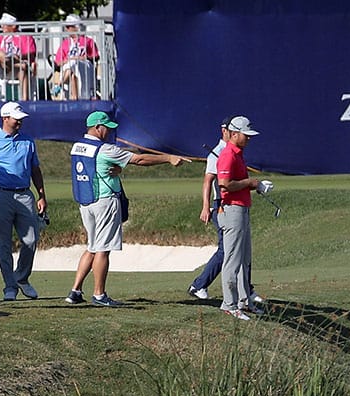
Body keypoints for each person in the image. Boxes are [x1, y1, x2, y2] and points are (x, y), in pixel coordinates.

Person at [66, 110, 186, 307]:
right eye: (106, 128)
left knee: (92, 246)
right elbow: (139, 160)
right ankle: (99, 295)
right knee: (103, 250)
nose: (108, 132)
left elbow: (95, 168)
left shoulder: (77, 146)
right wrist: (168, 158)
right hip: (104, 200)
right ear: (98, 127)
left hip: (86, 202)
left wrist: (118, 168)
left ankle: (75, 291)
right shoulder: (105, 149)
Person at [188, 116, 264, 304]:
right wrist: (206, 206)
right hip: (222, 206)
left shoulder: (236, 152)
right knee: (227, 252)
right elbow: (212, 182)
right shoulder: (222, 153)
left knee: (237, 252)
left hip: (234, 206)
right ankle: (201, 286)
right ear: (230, 132)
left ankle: (245, 292)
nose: (248, 138)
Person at [0, 101, 47, 301]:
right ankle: (10, 286)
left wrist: (42, 195)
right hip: (0, 195)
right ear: (5, 118)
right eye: (16, 119)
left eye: (21, 119)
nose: (19, 123)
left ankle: (22, 278)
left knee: (31, 239)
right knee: (4, 243)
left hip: (25, 194)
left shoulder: (28, 141)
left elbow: (35, 170)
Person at [218, 116, 262, 321]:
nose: (249, 139)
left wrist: (254, 186)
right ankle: (229, 304)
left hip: (242, 209)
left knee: (245, 259)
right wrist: (250, 183)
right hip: (232, 211)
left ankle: (245, 301)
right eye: (246, 135)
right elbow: (224, 184)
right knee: (233, 260)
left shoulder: (239, 154)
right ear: (234, 134)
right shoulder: (228, 154)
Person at [0, 13, 37, 101]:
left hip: (21, 68)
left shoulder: (25, 37)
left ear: (13, 26)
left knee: (22, 69)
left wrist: (17, 57)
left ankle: (25, 100)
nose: (2, 27)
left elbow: (31, 53)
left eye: (4, 25)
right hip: (5, 68)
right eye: (1, 25)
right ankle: (15, 63)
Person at [51, 14, 99, 100]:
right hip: (69, 68)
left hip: (84, 67)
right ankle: (74, 97)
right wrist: (69, 60)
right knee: (72, 68)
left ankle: (59, 85)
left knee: (73, 64)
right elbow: (58, 62)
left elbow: (95, 57)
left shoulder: (88, 41)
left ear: (76, 27)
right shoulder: (65, 43)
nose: (66, 29)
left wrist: (81, 58)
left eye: (69, 27)